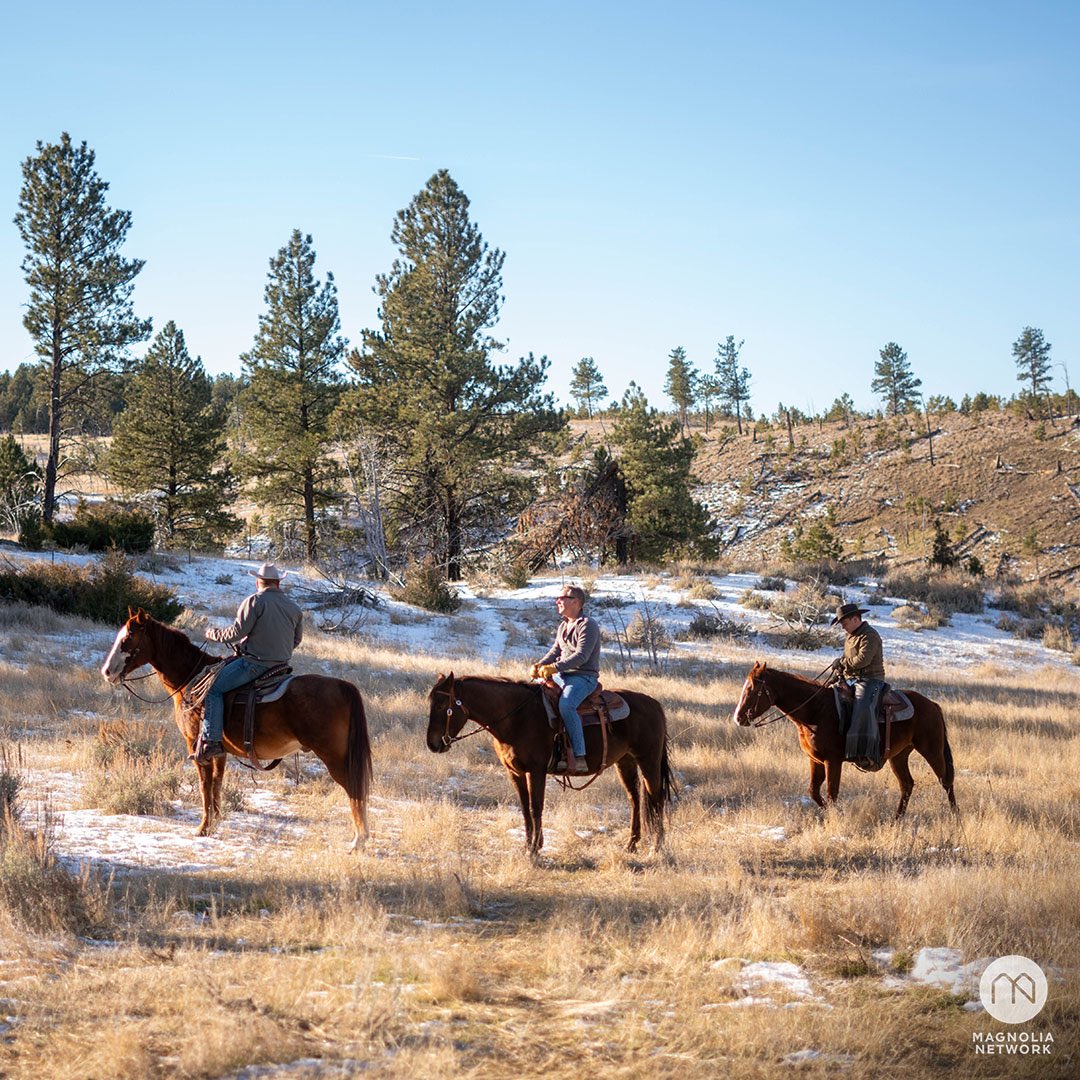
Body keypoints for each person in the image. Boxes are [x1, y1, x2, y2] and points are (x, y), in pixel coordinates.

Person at [193, 562, 304, 763]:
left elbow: (237, 633)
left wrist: (213, 634)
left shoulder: (254, 601)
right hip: (281, 667)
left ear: (258, 582)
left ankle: (212, 741)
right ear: (278, 583)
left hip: (254, 665)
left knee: (213, 689)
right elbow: (296, 640)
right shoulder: (294, 607)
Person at [530, 585, 600, 774]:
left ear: (575, 602)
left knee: (567, 705)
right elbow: (555, 651)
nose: (557, 601)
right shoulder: (563, 625)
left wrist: (554, 667)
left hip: (583, 677)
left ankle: (579, 756)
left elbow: (582, 656)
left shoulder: (588, 625)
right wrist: (539, 665)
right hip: (563, 676)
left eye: (562, 598)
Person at [829, 602, 885, 767]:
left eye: (844, 623)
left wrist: (842, 663)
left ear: (855, 619)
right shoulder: (850, 635)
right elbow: (849, 660)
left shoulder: (870, 636)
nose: (843, 628)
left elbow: (862, 660)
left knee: (862, 707)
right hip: (851, 678)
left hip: (871, 680)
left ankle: (866, 753)